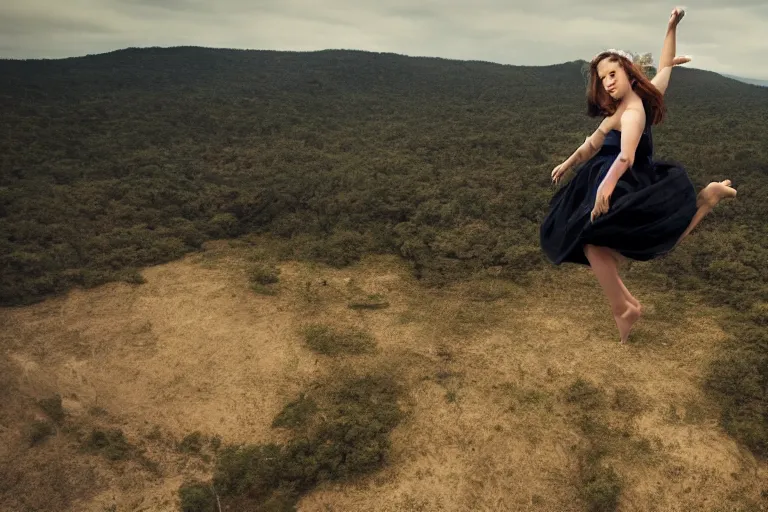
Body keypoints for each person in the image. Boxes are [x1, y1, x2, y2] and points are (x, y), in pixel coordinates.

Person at [539, 7, 737, 343]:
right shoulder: (628, 104)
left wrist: (606, 186)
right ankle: (625, 306)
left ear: (629, 74)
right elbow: (592, 144)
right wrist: (569, 162)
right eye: (603, 78)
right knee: (595, 244)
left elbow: (626, 157)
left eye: (613, 74)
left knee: (636, 241)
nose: (608, 82)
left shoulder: (632, 113)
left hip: (628, 181)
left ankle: (705, 201)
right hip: (606, 177)